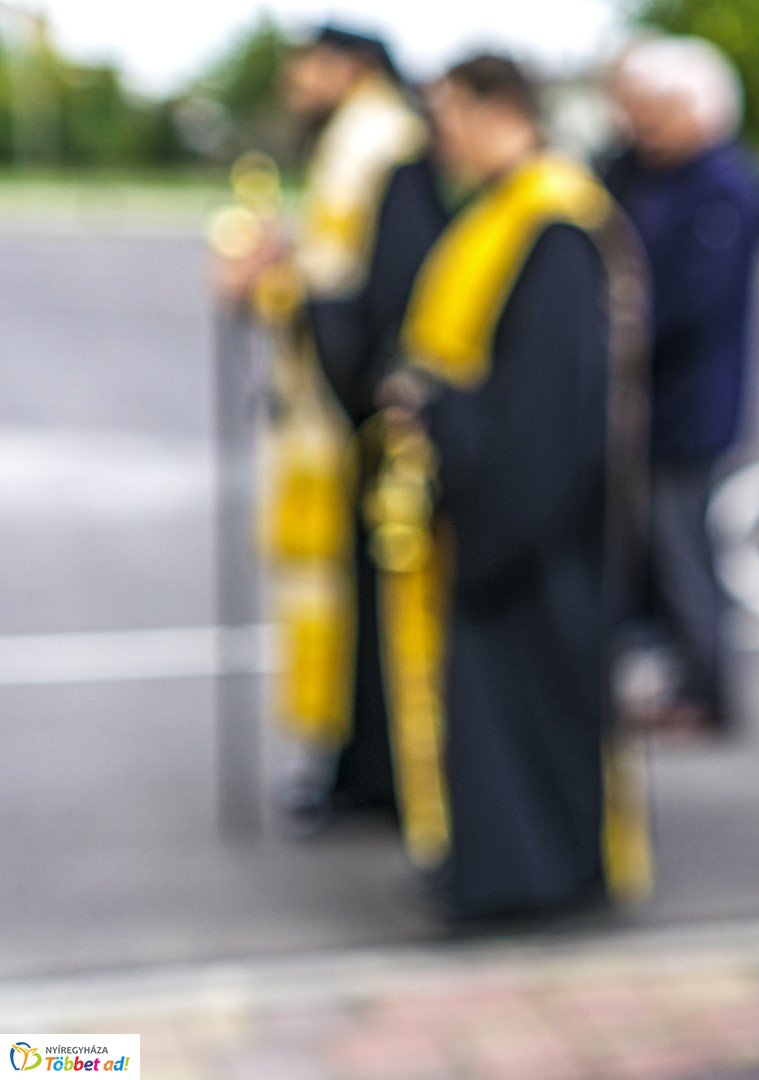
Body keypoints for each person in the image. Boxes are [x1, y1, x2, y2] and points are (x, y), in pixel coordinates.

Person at [369, 54, 644, 920]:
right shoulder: (504, 212)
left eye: (449, 112)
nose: (437, 132)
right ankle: (503, 868)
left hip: (534, 521)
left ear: (500, 110)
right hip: (502, 500)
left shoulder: (553, 224)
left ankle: (535, 880)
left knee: (531, 713)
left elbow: (546, 405)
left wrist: (440, 407)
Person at [216, 24, 430, 833]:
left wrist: (276, 286)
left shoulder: (383, 145)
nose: (298, 83)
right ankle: (351, 763)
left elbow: (372, 300)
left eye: (309, 66)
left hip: (362, 419)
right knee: (343, 599)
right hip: (332, 415)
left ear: (352, 67)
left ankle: (370, 773)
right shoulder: (357, 141)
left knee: (366, 602)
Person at [604, 36, 759, 735]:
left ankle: (705, 689)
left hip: (689, 404)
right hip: (662, 401)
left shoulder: (721, 188)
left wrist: (617, 332)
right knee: (666, 545)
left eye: (657, 110)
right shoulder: (648, 177)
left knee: (684, 548)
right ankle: (684, 674)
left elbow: (685, 300)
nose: (641, 124)